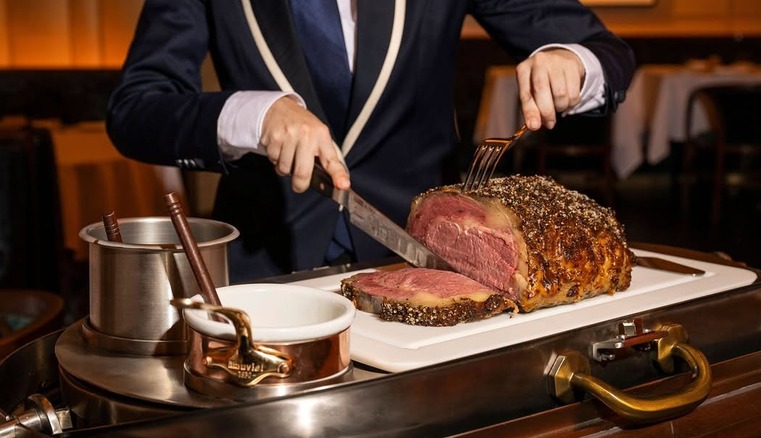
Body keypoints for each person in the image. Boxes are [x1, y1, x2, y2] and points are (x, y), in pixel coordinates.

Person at [106, 0, 635, 283]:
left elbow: (602, 51)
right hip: (264, 275)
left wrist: (572, 63)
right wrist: (253, 113)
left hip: (428, 266)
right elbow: (135, 109)